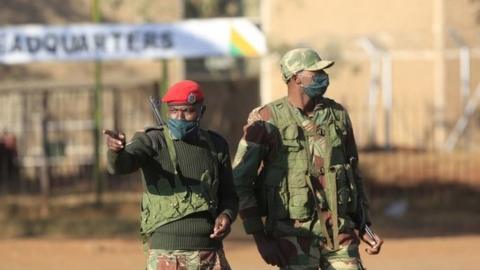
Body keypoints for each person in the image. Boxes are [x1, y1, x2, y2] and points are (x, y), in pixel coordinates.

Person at [232, 48, 383, 269]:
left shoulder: (338, 115)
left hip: (339, 232)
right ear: (296, 79)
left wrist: (364, 225)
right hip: (292, 235)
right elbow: (240, 180)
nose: (324, 78)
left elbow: (352, 173)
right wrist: (260, 237)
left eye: (324, 73)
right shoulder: (267, 119)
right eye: (316, 74)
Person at [104, 80, 238, 270]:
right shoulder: (152, 140)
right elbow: (122, 165)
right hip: (167, 256)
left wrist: (226, 215)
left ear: (201, 111)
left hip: (210, 253)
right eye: (174, 111)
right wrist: (116, 151)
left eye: (187, 111)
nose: (180, 117)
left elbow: (229, 196)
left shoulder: (216, 145)